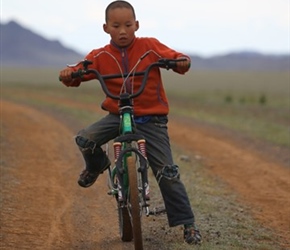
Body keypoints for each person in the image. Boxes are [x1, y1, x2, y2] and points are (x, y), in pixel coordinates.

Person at [59, 0, 202, 245]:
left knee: (168, 172)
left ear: (137, 25)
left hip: (151, 119)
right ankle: (96, 167)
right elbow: (79, 70)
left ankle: (188, 224)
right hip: (118, 116)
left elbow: (176, 58)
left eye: (127, 25)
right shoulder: (101, 55)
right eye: (116, 25)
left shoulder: (149, 47)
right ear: (106, 28)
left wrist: (180, 61)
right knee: (85, 140)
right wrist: (70, 73)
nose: (122, 30)